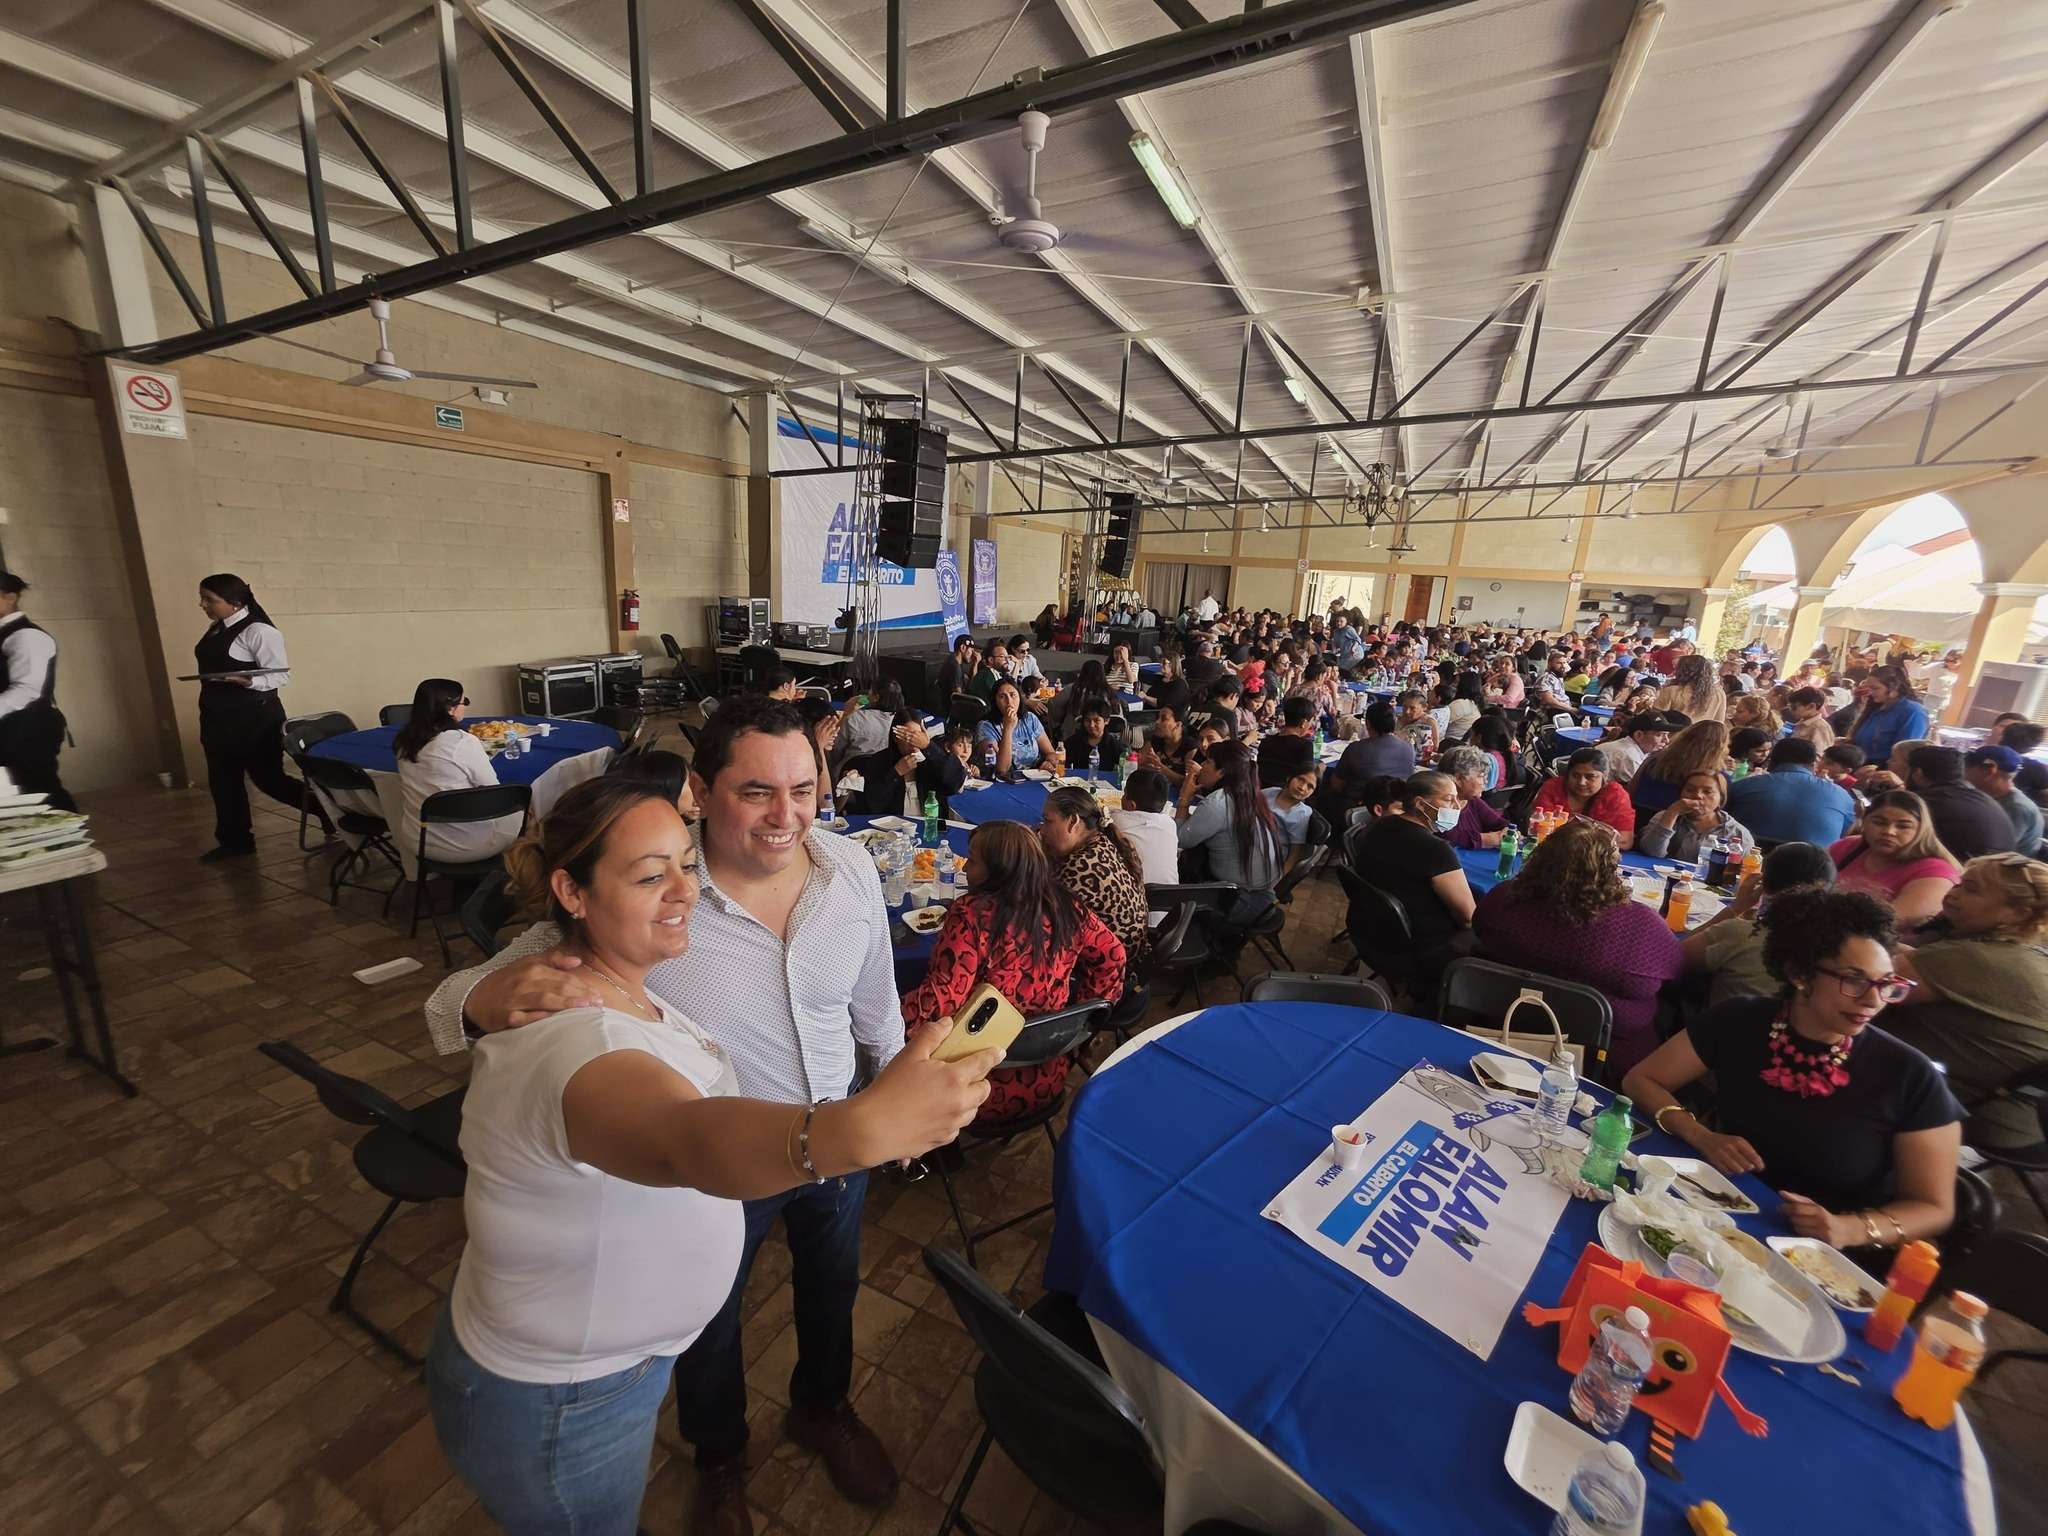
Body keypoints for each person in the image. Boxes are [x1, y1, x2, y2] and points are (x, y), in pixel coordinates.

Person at [423, 776, 998, 1536]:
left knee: (831, 1293)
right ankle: (720, 1459)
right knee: (716, 1334)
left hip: (820, 1161)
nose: (785, 813)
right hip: (713, 1211)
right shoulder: (576, 1011)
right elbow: (680, 1134)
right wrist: (862, 1130)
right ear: (707, 792)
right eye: (758, 790)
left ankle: (823, 1408)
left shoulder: (841, 871)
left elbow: (874, 999)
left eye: (802, 788)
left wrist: (882, 1093)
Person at [1623, 889, 1962, 1243]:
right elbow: (1642, 1079)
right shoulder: (1740, 1020)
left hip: (1819, 1251)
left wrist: (1851, 1228)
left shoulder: (1909, 1075)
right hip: (1714, 1207)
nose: (1873, 1000)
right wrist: (1700, 1135)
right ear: (1800, 974)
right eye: (1854, 980)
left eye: (1886, 984)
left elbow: (1934, 1208)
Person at [900, 822, 1125, 1124]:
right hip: (1050, 1068)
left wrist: (888, 1022)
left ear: (998, 870)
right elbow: (1113, 956)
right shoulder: (1066, 906)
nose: (965, 867)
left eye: (973, 860)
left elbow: (944, 998)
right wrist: (1079, 1021)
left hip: (978, 1083)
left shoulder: (971, 915)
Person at [1474, 818, 1681, 1077]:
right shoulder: (1640, 926)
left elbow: (1478, 927)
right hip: (1603, 1062)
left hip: (1494, 1031)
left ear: (1541, 857)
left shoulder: (1503, 900)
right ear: (1611, 869)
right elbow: (1677, 968)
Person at [1886, 855, 2048, 1147]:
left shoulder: (1973, 959)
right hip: (2028, 1120)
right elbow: (1920, 963)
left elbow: (1865, 979)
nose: (1954, 892)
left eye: (1971, 889)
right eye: (1960, 883)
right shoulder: (2028, 953)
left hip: (1984, 1117)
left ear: (2017, 913)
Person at [193, 573, 325, 861]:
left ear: (235, 602)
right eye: (202, 598)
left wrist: (249, 681)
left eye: (210, 600)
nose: (203, 605)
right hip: (216, 719)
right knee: (223, 782)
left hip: (255, 719)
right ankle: (235, 841)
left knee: (269, 780)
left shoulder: (259, 631)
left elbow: (280, 675)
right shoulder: (216, 628)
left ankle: (328, 811)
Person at [1350, 770, 1477, 988]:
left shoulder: (1379, 825)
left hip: (1368, 927)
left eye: (1457, 799)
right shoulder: (1436, 850)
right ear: (1420, 804)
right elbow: (1468, 917)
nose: (1457, 806)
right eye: (1449, 799)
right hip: (1414, 946)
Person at [1680, 841, 1837, 1008]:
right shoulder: (1834, 949)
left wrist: (1737, 906)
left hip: (1725, 1023)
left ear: (1763, 885)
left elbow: (1671, 956)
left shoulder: (1740, 933)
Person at [394, 678, 523, 863]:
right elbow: (492, 790)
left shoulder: (404, 741)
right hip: (467, 845)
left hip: (418, 840)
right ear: (450, 708)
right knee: (530, 807)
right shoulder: (460, 742)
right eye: (464, 702)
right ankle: (529, 872)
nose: (465, 707)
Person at [1175, 738, 1291, 921]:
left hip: (1243, 900)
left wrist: (1184, 799)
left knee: (1174, 892)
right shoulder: (1249, 793)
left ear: (1222, 772)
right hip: (1265, 892)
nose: (1202, 766)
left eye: (1208, 762)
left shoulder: (1218, 803)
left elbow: (1180, 839)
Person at [1039, 786, 1150, 972]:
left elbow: (1041, 924)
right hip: (1129, 957)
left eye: (1048, 821)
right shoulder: (1105, 841)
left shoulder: (1079, 869)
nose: (1042, 829)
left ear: (1073, 822)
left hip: (1106, 973)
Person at [1827, 789, 1960, 926]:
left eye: (1903, 826)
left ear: (1921, 830)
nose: (1889, 832)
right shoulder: (1848, 847)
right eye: (1879, 823)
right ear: (1864, 821)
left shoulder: (1936, 872)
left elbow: (1889, 921)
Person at [0, 570, 75, 811]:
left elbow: (26, 690)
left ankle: (68, 833)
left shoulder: (26, 636)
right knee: (16, 796)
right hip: (12, 728)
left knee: (40, 792)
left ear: (10, 597)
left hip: (27, 730)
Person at [1726, 736, 1857, 848]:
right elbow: (1844, 833)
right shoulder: (1843, 797)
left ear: (1771, 761)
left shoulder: (1744, 786)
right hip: (1812, 866)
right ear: (1813, 764)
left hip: (1743, 860)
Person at [1905, 745, 2016, 862]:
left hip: (1970, 871)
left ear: (1917, 773)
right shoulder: (1980, 798)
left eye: (1896, 761)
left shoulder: (1922, 802)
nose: (1892, 764)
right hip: (1994, 869)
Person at [1636, 769, 1755, 865]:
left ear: (1721, 799)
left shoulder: (1738, 834)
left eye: (1707, 792)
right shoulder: (1665, 817)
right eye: (1690, 790)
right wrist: (1672, 813)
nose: (1698, 795)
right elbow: (1651, 852)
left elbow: (1743, 873)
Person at [1528, 748, 1637, 846]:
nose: (1581, 782)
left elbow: (1625, 840)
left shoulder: (1616, 795)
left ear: (1604, 777)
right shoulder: (1554, 788)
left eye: (1590, 777)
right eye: (1575, 775)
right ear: (1568, 774)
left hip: (1596, 855)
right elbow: (1538, 827)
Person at [1112, 767, 1180, 919]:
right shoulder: (1170, 824)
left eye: (1124, 795)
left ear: (1131, 805)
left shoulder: (1117, 821)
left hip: (1130, 918)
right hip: (1169, 919)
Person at [1326, 702, 1416, 815]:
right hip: (1396, 808)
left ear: (1368, 724)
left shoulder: (1356, 748)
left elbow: (1337, 784)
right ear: (1395, 722)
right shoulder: (1409, 748)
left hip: (1359, 807)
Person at [1630, 719, 1729, 816]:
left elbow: (1630, 790)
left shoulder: (1655, 759)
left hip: (1636, 815)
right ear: (1721, 747)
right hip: (1672, 822)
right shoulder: (1715, 777)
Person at [1964, 743, 2043, 857]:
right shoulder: (1992, 797)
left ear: (1989, 770)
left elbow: (1994, 852)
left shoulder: (2016, 807)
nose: (1964, 773)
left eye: (1967, 768)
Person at [978, 678, 1061, 778]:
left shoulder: (1029, 719)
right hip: (1004, 781)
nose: (1009, 701)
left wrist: (1049, 762)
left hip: (1035, 777)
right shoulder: (986, 727)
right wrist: (1008, 728)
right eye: (1002, 697)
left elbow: (1051, 753)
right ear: (995, 701)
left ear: (1019, 697)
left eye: (1013, 695)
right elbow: (1001, 769)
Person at [1849, 665, 1929, 765]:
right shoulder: (1877, 707)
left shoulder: (1913, 711)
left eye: (1875, 688)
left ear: (1894, 688)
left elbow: (1904, 752)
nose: (1870, 692)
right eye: (1869, 688)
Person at [1436, 744, 1509, 850]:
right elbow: (1449, 837)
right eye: (1481, 776)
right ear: (1458, 778)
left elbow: (1500, 824)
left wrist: (1510, 832)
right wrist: (1490, 839)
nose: (1485, 782)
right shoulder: (1437, 805)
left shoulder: (1472, 801)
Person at [1600, 709, 1678, 786]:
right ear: (1639, 735)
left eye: (1667, 735)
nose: (1666, 740)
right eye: (1659, 735)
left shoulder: (1636, 749)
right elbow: (1635, 789)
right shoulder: (1628, 756)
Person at [1257, 696, 1319, 790]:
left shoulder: (1266, 741)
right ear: (1303, 723)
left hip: (1262, 791)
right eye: (1311, 721)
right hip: (1287, 793)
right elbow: (1306, 777)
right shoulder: (1305, 746)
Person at [1654, 653, 1726, 725]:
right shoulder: (1719, 693)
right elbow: (1719, 722)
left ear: (1682, 670)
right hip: (1705, 731)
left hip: (1675, 731)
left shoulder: (1671, 691)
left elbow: (1656, 718)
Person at [1063, 703, 1120, 775]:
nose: (1091, 725)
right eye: (1087, 720)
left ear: (1106, 721)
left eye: (1096, 720)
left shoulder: (1114, 745)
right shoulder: (1073, 742)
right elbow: (1061, 764)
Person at [1785, 685, 1837, 750]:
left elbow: (1819, 754)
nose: (1790, 710)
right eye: (1789, 706)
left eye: (1794, 707)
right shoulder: (1802, 722)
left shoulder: (1820, 728)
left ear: (1811, 706)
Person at [1394, 688, 1440, 760]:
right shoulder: (1398, 719)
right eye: (1405, 707)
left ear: (1424, 707)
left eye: (1412, 708)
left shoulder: (1429, 723)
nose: (1407, 711)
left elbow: (1435, 748)